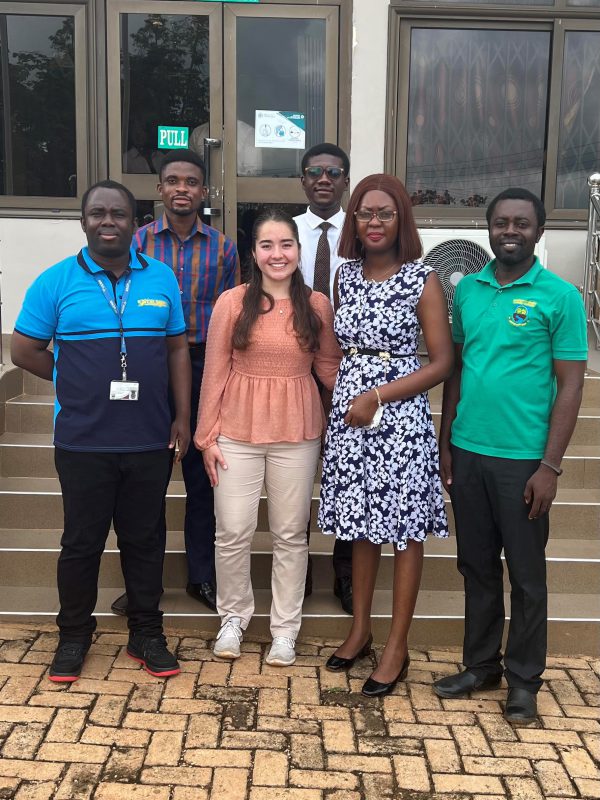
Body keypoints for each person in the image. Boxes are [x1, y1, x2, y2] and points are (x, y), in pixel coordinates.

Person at [11, 180, 191, 681]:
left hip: (149, 438)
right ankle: (73, 635)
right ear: (83, 220)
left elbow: (177, 349)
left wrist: (183, 416)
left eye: (119, 213)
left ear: (135, 223)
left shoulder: (160, 279)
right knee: (82, 542)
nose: (108, 221)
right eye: (98, 213)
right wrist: (72, 375)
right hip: (82, 441)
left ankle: (146, 633)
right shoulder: (55, 281)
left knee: (145, 539)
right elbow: (23, 351)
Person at [432, 188, 588, 724]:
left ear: (539, 232)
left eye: (522, 223)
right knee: (475, 566)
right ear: (489, 229)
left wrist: (550, 466)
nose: (510, 231)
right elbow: (455, 370)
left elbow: (570, 386)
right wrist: (447, 440)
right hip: (469, 452)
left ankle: (524, 680)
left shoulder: (561, 297)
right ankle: (481, 666)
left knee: (525, 575)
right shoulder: (469, 292)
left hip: (524, 461)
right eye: (501, 223)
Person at [319, 174, 453, 697]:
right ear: (354, 220)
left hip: (397, 415)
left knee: (404, 530)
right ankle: (361, 630)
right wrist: (347, 395)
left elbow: (442, 361)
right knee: (360, 523)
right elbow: (338, 347)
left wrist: (376, 395)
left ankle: (396, 645)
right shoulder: (345, 276)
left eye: (385, 213)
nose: (374, 223)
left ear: (402, 220)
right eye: (365, 213)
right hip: (351, 415)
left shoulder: (423, 278)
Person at [194, 210, 342, 666]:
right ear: (253, 254)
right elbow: (215, 371)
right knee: (233, 530)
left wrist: (379, 396)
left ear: (299, 250)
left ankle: (285, 629)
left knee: (290, 534)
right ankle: (233, 619)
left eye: (286, 245)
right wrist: (206, 437)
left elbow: (329, 368)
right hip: (236, 431)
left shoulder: (316, 304)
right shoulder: (232, 302)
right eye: (267, 246)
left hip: (297, 432)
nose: (277, 254)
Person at [111, 149, 239, 616]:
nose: (182, 188)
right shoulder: (137, 244)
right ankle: (143, 586)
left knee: (203, 480)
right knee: (145, 481)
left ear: (204, 191)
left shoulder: (224, 247)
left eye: (191, 181)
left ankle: (202, 577)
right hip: (149, 367)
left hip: (205, 365)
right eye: (172, 181)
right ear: (160, 189)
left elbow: (232, 313)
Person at [293, 142, 354, 614]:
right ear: (303, 179)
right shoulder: (286, 233)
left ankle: (346, 573)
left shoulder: (362, 232)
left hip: (349, 366)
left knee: (346, 471)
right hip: (290, 367)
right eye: (315, 171)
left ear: (344, 179)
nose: (324, 179)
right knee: (296, 473)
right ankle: (298, 571)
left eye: (333, 172)